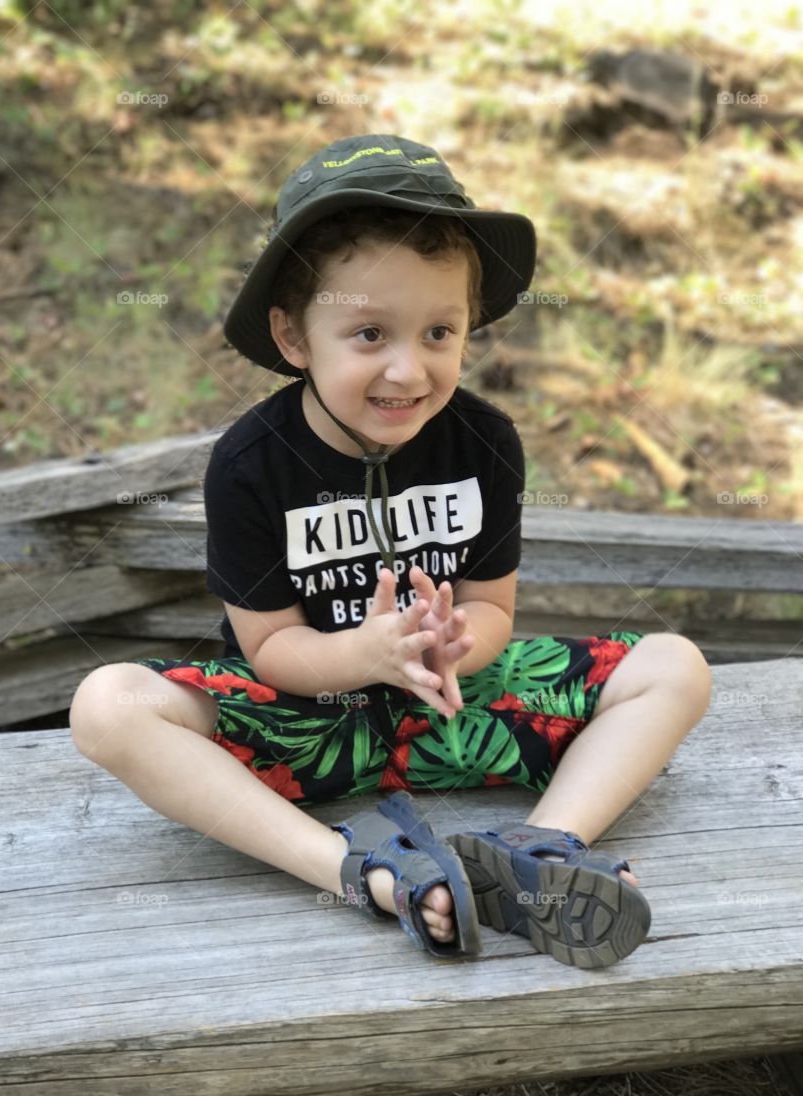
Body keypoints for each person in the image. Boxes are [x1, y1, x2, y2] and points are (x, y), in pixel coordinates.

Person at [69, 134, 712, 968]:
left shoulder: (482, 441)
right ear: (294, 336)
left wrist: (452, 645)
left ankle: (537, 851)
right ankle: (364, 869)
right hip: (307, 718)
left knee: (675, 665)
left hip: (454, 710)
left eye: (440, 331)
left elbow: (492, 609)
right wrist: (365, 653)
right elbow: (268, 649)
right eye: (369, 333)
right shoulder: (250, 463)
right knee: (107, 706)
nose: (409, 370)